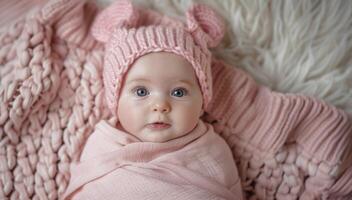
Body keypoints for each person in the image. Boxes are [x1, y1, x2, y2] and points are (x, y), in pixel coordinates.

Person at [62, 0, 243, 199]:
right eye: (141, 92)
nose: (160, 106)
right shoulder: (103, 144)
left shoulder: (212, 152)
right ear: (116, 99)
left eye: (179, 93)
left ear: (202, 100)